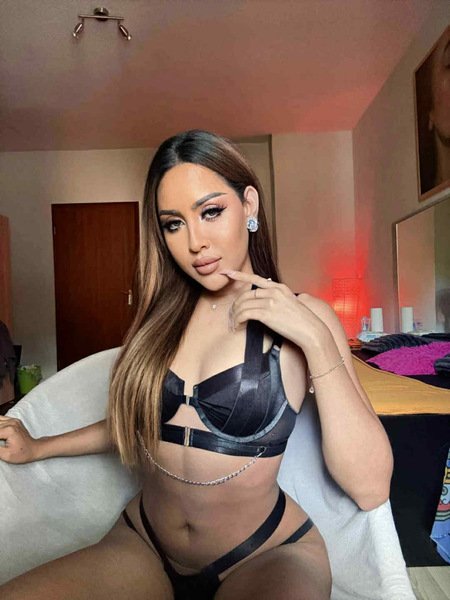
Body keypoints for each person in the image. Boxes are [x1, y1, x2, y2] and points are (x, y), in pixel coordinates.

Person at [0, 129, 393, 600]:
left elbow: (370, 488)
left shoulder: (304, 315)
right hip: (144, 544)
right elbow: (135, 424)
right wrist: (37, 447)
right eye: (173, 224)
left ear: (248, 204)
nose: (195, 242)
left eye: (210, 212)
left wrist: (317, 342)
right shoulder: (160, 320)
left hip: (265, 554)